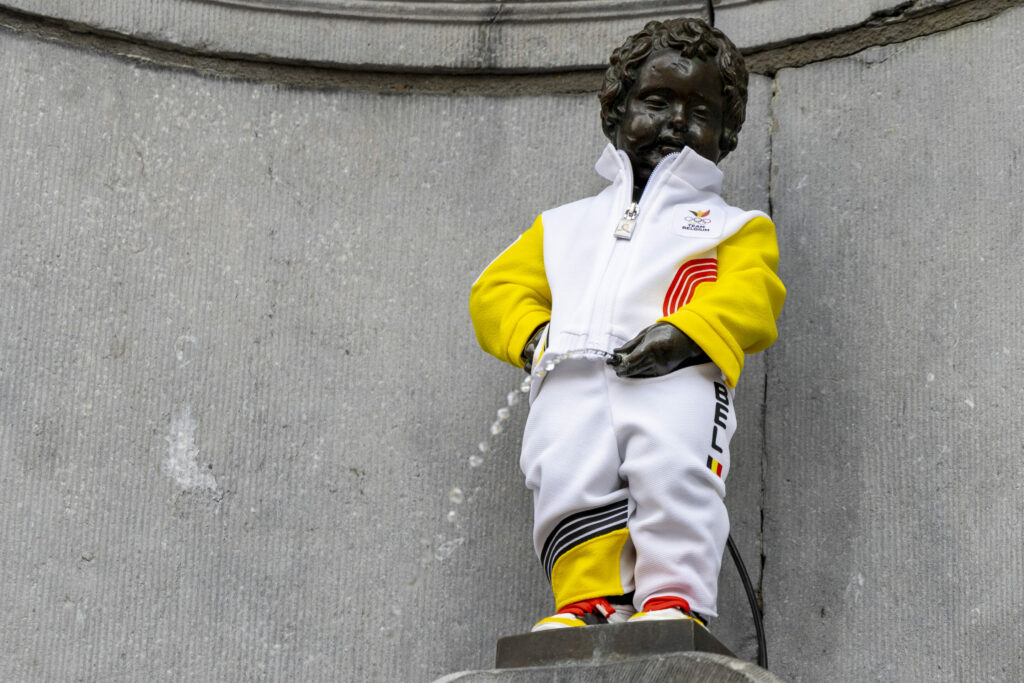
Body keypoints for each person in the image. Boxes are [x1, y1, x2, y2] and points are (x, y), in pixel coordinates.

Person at [469, 17, 785, 632]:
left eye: (700, 110)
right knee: (565, 479)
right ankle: (588, 598)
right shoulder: (562, 225)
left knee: (677, 475)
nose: (675, 121)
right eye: (657, 101)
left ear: (727, 133)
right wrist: (534, 339)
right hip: (571, 379)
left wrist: (687, 334)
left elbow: (755, 295)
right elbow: (495, 290)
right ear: (616, 112)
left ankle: (674, 598)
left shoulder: (732, 227)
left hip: (677, 378)